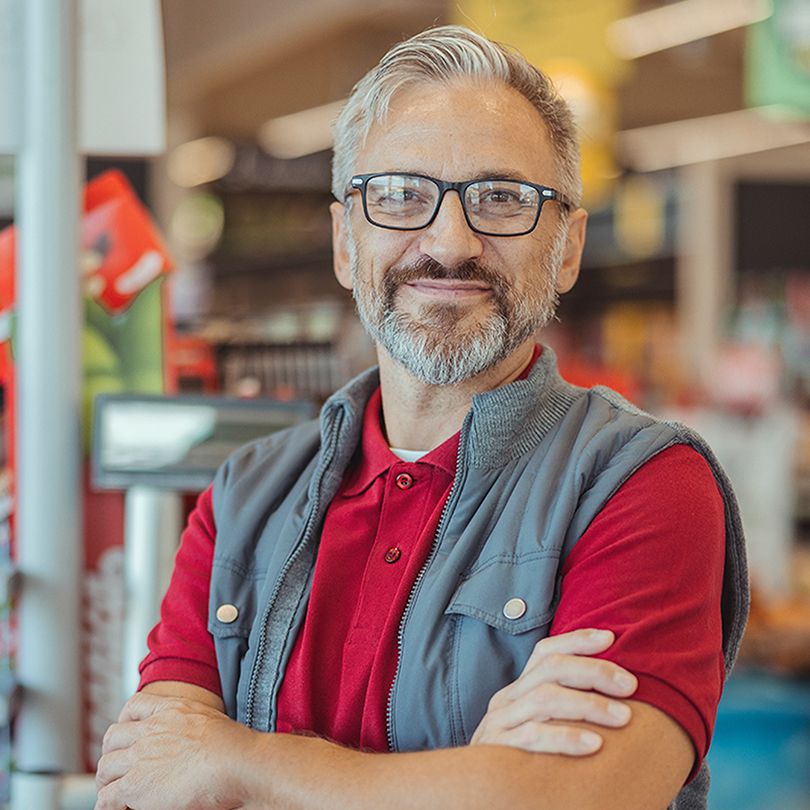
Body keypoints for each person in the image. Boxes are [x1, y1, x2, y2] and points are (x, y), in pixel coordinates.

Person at [95, 25, 748, 810]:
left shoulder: (641, 486)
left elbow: (576, 799)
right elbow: (148, 784)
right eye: (401, 194)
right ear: (345, 240)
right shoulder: (243, 499)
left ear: (567, 248)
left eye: (501, 199)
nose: (449, 241)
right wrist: (477, 776)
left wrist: (240, 763)